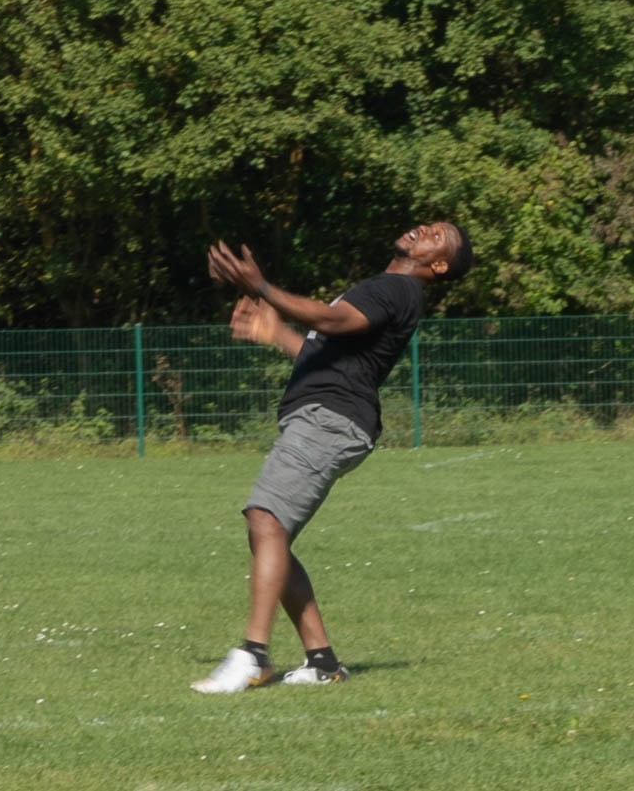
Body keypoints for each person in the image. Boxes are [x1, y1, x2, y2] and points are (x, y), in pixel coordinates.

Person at [191, 221, 473, 694]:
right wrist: (278, 334)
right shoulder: (386, 288)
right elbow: (331, 352)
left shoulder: (397, 288)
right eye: (428, 224)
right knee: (270, 537)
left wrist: (260, 287)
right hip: (332, 416)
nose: (425, 228)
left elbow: (330, 321)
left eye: (438, 236)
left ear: (438, 264)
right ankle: (322, 661)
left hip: (331, 420)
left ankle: (252, 655)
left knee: (265, 518)